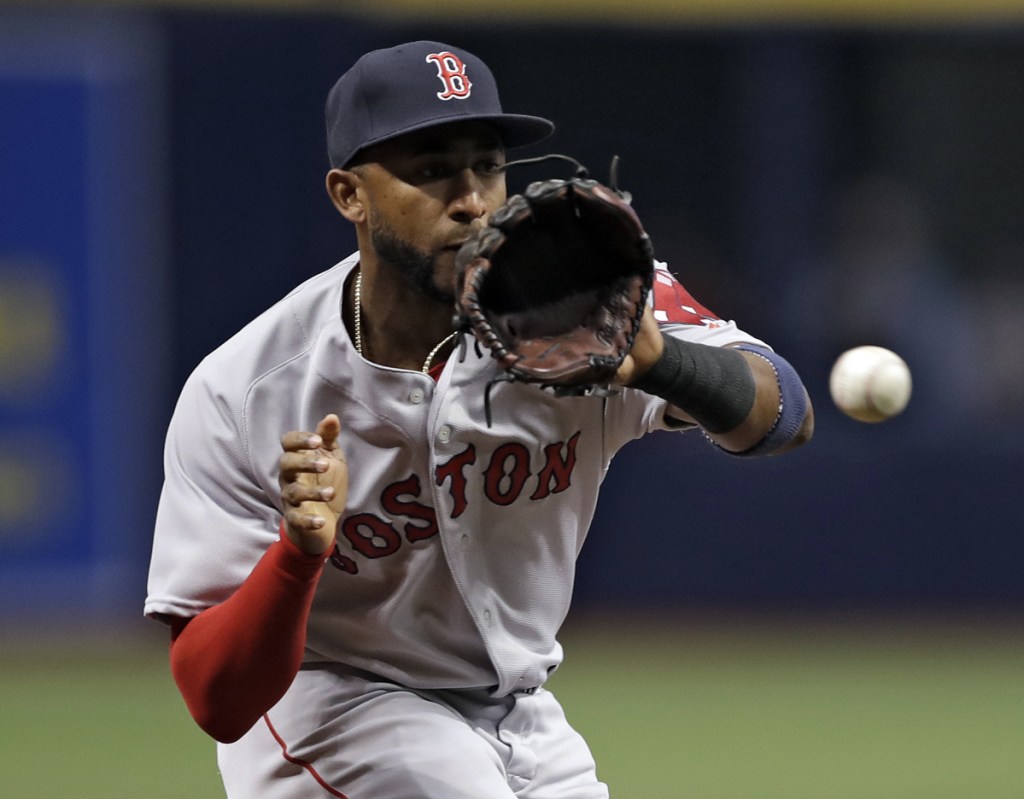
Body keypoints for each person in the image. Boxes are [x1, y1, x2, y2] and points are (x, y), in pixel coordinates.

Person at [145, 40, 814, 798]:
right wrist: (297, 556)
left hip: (521, 714)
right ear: (348, 194)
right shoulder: (248, 390)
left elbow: (783, 413)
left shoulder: (580, 300)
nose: (470, 198)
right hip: (334, 705)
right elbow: (217, 700)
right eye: (430, 170)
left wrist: (663, 363)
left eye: (487, 166)